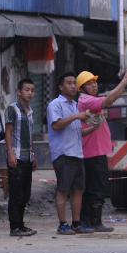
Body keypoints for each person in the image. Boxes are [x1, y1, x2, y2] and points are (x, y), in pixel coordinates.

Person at [76, 69, 127, 233]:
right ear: (82, 88)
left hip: (96, 152)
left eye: (94, 83)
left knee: (97, 187)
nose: (94, 86)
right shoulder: (86, 100)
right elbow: (109, 100)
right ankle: (90, 221)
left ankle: (93, 221)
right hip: (92, 153)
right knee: (95, 187)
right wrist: (124, 82)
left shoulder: (89, 100)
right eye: (89, 84)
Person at [47, 72, 91, 235]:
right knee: (63, 190)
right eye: (69, 83)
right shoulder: (55, 104)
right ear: (61, 86)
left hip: (77, 153)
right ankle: (62, 224)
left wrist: (93, 127)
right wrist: (76, 116)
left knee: (78, 190)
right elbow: (57, 126)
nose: (73, 86)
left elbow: (77, 132)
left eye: (74, 83)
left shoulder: (74, 105)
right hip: (63, 153)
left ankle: (76, 223)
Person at [4, 78, 37, 237]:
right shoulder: (12, 109)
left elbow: (30, 135)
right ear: (19, 92)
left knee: (25, 194)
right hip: (16, 157)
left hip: (27, 158)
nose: (30, 93)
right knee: (16, 194)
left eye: (32, 90)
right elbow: (8, 132)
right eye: (26, 90)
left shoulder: (30, 111)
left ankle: (21, 225)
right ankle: (14, 227)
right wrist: (10, 153)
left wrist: (33, 154)